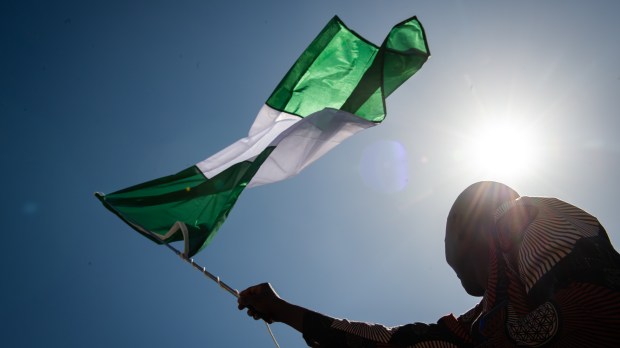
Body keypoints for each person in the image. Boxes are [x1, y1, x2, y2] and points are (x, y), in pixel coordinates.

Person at [238, 181, 620, 347]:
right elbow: (401, 341)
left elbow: (594, 304)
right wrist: (286, 311)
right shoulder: (484, 316)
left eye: (448, 238)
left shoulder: (524, 216)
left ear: (467, 227)